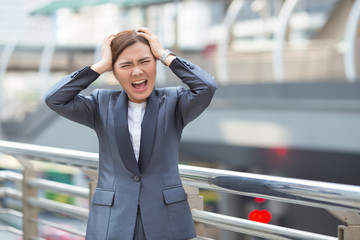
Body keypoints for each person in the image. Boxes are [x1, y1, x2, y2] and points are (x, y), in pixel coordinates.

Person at [44, 27, 217, 240]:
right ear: (114, 71)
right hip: (112, 220)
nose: (137, 72)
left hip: (165, 222)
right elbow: (54, 98)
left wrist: (165, 54)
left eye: (145, 61)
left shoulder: (174, 102)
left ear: (154, 63)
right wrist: (100, 66)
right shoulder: (101, 103)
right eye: (126, 65)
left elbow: (206, 86)